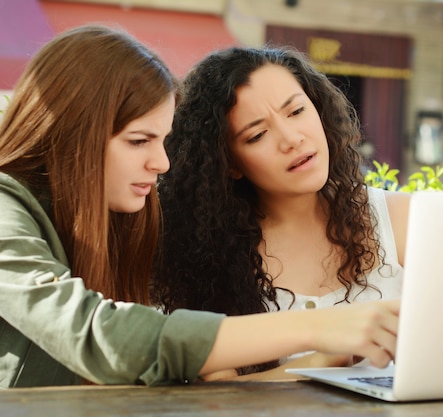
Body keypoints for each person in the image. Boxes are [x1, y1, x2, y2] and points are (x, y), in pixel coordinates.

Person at [0, 25, 400, 388]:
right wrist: (318, 327)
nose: (162, 164)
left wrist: (322, 355)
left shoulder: (118, 219)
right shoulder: (8, 209)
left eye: (162, 140)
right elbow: (99, 335)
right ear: (75, 135)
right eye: (140, 141)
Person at [152, 46, 411, 379]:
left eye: (297, 111)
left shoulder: (402, 220)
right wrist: (320, 362)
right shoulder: (204, 257)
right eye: (258, 134)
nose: (292, 139)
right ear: (229, 164)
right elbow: (217, 395)